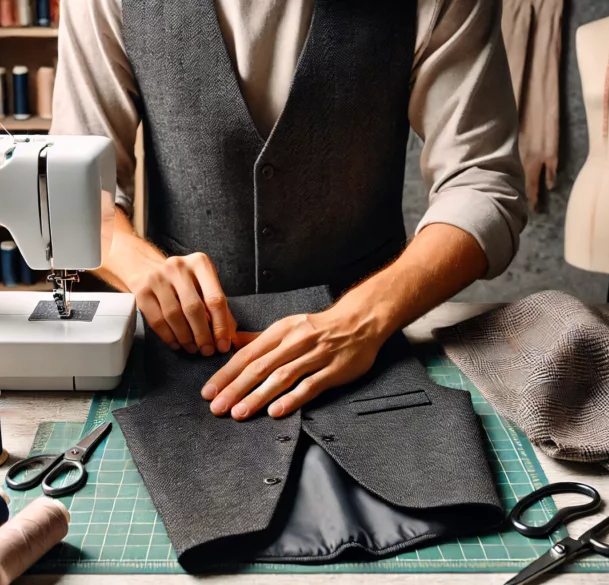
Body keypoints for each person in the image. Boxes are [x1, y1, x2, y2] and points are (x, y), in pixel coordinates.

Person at [53, 0, 527, 421]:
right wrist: (136, 263)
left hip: (370, 356)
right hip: (182, 359)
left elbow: (482, 181)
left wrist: (364, 317)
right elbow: (68, 188)